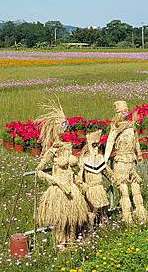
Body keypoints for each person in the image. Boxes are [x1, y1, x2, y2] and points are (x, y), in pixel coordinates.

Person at [33, 101, 89, 250]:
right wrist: (55, 181)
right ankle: (60, 243)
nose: (65, 129)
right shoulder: (53, 150)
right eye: (62, 126)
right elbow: (39, 170)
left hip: (71, 187)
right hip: (59, 189)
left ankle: (71, 241)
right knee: (61, 219)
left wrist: (80, 166)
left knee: (72, 217)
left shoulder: (68, 146)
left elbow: (74, 166)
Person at [104, 101, 148, 224]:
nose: (125, 113)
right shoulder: (116, 126)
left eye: (126, 111)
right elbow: (110, 142)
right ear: (118, 113)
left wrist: (139, 154)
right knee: (123, 187)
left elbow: (136, 141)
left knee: (135, 185)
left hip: (131, 160)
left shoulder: (131, 126)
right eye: (122, 111)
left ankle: (140, 211)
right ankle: (127, 215)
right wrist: (105, 158)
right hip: (121, 161)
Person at [76, 130, 113, 228]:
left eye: (97, 144)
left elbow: (107, 171)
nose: (96, 147)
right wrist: (82, 184)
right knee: (93, 209)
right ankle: (90, 228)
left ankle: (104, 225)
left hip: (99, 186)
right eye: (94, 145)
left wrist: (114, 177)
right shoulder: (84, 159)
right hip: (91, 188)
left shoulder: (100, 158)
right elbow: (79, 176)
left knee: (104, 207)